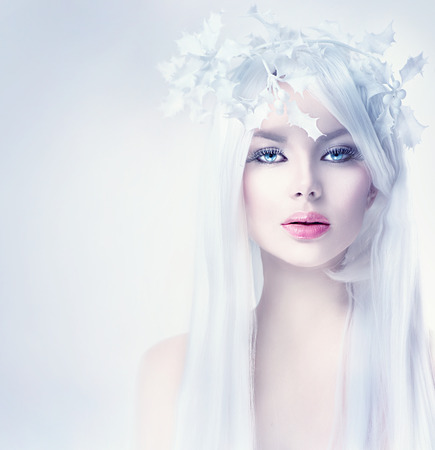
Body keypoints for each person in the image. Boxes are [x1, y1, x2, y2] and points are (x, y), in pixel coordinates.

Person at [138, 9, 435, 450]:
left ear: (375, 180)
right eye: (270, 156)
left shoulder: (426, 369)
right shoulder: (173, 373)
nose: (306, 187)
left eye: (337, 154)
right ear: (231, 178)